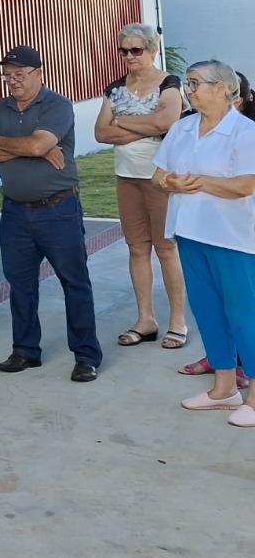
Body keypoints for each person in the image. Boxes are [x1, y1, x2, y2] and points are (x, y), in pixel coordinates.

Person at [0, 45, 101, 382]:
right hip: (14, 212)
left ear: (39, 73)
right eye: (7, 75)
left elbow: (31, 144)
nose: (13, 80)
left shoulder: (57, 105)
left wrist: (15, 143)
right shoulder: (0, 108)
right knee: (20, 285)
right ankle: (25, 350)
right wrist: (34, 149)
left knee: (74, 282)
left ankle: (86, 356)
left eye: (20, 74)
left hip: (57, 209)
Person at [155, 61, 255, 423]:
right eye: (188, 83)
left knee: (244, 313)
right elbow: (157, 175)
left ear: (222, 88)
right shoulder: (182, 127)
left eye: (196, 83)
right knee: (208, 309)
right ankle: (224, 389)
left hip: (233, 238)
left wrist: (195, 181)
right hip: (189, 232)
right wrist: (169, 182)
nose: (189, 90)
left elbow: (245, 185)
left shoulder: (246, 132)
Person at [94, 24, 187, 351]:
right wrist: (145, 127)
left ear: (152, 50)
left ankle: (178, 321)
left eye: (136, 50)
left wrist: (120, 121)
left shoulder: (169, 84)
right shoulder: (115, 89)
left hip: (159, 178)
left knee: (166, 248)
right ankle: (146, 319)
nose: (129, 56)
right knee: (136, 249)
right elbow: (101, 133)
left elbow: (165, 123)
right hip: (126, 177)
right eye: (124, 50)